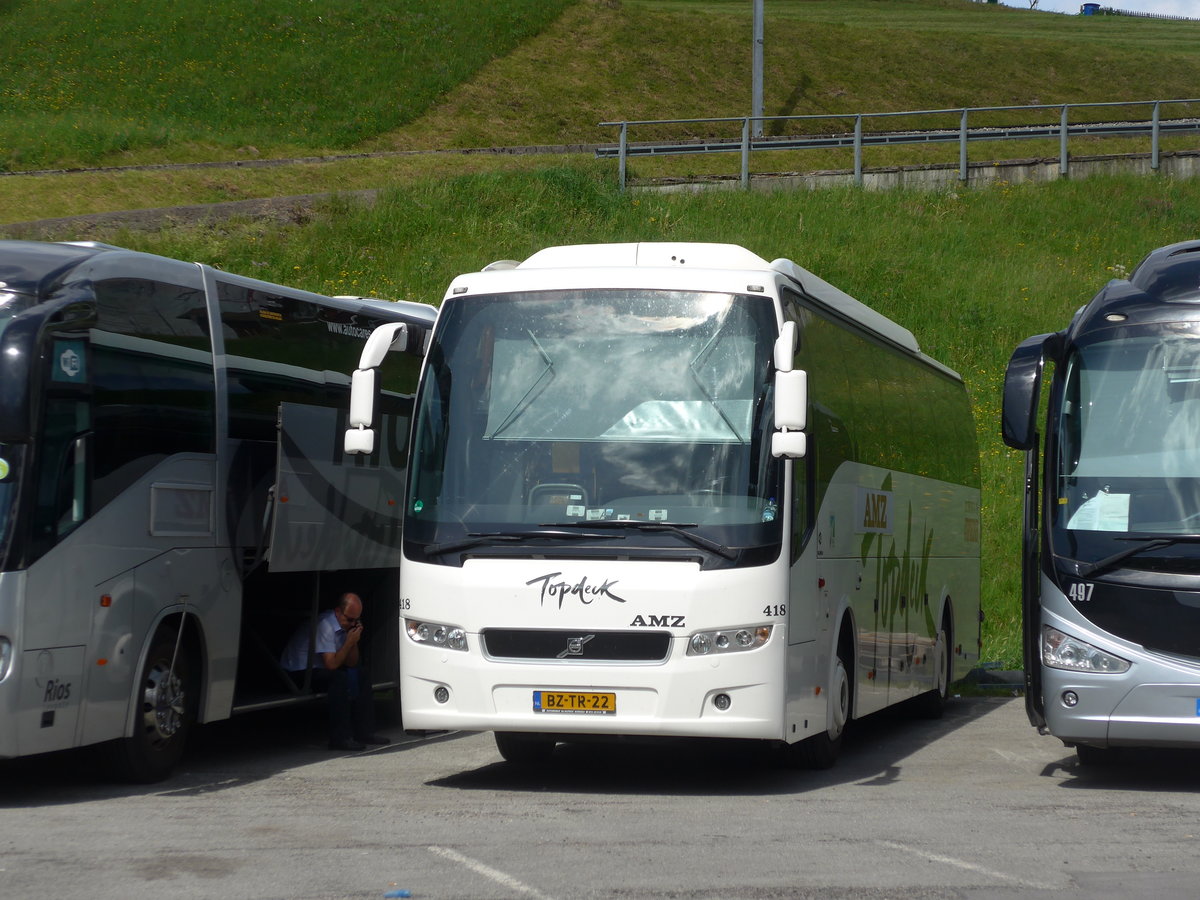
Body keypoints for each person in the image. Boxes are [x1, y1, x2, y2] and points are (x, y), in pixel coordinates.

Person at [281, 591, 390, 751]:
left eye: (356, 620)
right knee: (338, 679)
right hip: (298, 671)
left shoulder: (347, 626)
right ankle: (340, 738)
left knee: (362, 674)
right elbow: (331, 664)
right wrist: (348, 643)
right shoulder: (325, 625)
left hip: (321, 667)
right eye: (349, 619)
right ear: (338, 612)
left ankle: (365, 732)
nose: (352, 624)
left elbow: (352, 663)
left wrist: (353, 641)